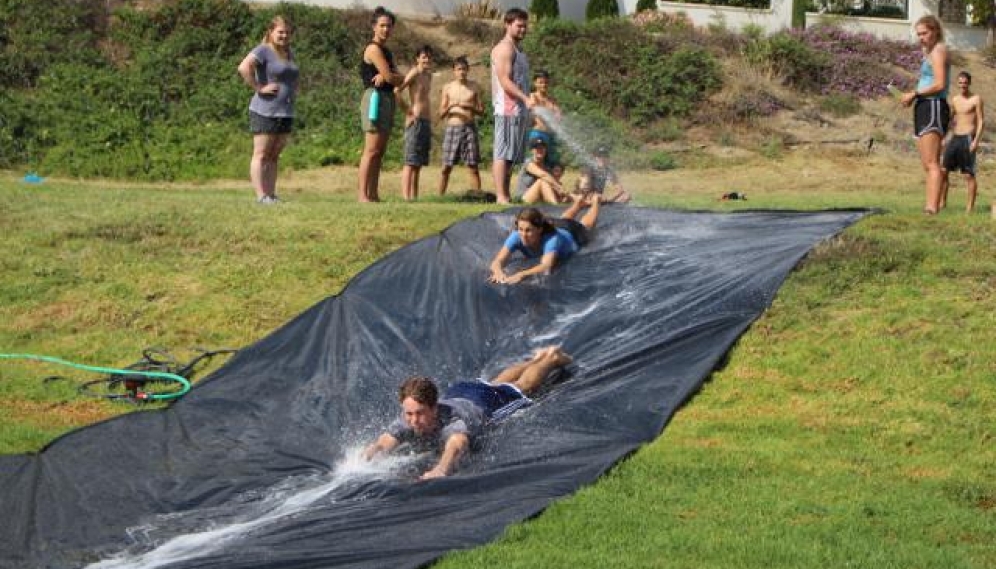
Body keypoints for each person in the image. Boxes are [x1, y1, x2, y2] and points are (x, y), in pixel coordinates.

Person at [363, 347, 573, 479]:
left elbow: (456, 445)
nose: (413, 420)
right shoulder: (407, 417)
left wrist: (441, 469)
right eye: (408, 413)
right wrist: (371, 452)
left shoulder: (454, 423)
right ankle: (535, 359)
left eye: (420, 413)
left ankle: (550, 359)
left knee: (523, 387)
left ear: (434, 408)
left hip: (482, 402)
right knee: (495, 383)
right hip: (459, 392)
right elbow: (384, 442)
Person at [237, 16, 299, 205]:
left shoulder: (289, 52)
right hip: (265, 110)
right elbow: (243, 67)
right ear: (271, 32)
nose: (284, 35)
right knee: (261, 153)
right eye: (280, 32)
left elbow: (292, 77)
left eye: (287, 32)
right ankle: (261, 195)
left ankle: (271, 194)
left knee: (274, 155)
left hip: (285, 111)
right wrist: (259, 87)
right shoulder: (263, 50)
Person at [488, 194, 601, 285]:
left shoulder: (552, 239)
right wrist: (498, 271)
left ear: (539, 230)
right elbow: (498, 260)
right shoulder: (516, 235)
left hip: (572, 233)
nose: (523, 234)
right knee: (564, 219)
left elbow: (546, 265)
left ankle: (596, 202)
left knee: (586, 224)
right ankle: (578, 203)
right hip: (558, 225)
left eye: (528, 230)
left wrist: (522, 274)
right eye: (520, 229)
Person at [900, 15, 950, 215]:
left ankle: (932, 208)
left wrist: (915, 93)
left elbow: (939, 84)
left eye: (925, 33)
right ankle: (930, 205)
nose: (921, 37)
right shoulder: (927, 51)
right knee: (926, 163)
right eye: (918, 34)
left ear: (935, 31)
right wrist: (913, 96)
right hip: (923, 106)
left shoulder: (939, 50)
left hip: (934, 106)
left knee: (932, 162)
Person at [357, 7, 404, 203]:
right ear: (374, 27)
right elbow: (392, 77)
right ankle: (362, 195)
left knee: (379, 152)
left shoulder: (386, 51)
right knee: (371, 150)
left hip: (386, 99)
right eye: (382, 25)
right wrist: (390, 76)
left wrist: (392, 77)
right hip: (375, 99)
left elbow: (398, 79)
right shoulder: (374, 49)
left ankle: (374, 194)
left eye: (389, 26)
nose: (386, 29)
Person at [491, 8, 534, 204]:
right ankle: (501, 196)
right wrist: (524, 99)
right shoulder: (505, 48)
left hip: (519, 111)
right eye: (519, 25)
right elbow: (504, 81)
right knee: (503, 153)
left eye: (525, 25)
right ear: (507, 25)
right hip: (507, 109)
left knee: (512, 156)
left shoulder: (519, 51)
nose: (523, 29)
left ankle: (506, 195)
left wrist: (527, 102)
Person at [438, 56, 485, 195]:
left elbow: (482, 111)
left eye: (464, 69)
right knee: (446, 166)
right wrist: (451, 106)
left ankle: (478, 197)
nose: (461, 72)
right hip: (452, 127)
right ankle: (440, 197)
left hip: (469, 127)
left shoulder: (474, 86)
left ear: (468, 70)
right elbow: (441, 113)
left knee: (473, 166)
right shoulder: (448, 87)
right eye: (459, 69)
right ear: (454, 71)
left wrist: (469, 106)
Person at [940, 71, 984, 213]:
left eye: (965, 83)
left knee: (968, 175)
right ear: (958, 84)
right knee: (944, 171)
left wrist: (976, 141)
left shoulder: (976, 99)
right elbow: (949, 120)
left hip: (968, 138)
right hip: (955, 138)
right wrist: (944, 137)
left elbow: (981, 121)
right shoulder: (955, 100)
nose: (963, 85)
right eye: (960, 83)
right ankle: (942, 203)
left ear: (969, 83)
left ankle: (969, 208)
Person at [396, 46, 434, 201]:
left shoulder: (428, 76)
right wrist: (407, 111)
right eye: (424, 57)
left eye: (429, 57)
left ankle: (414, 197)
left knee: (418, 163)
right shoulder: (414, 73)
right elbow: (397, 91)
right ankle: (406, 197)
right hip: (415, 120)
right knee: (410, 161)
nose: (427, 60)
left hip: (426, 120)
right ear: (417, 58)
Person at [516, 137, 567, 204]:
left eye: (542, 148)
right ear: (532, 150)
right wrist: (558, 187)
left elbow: (552, 181)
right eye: (537, 148)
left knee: (560, 190)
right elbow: (543, 175)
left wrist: (562, 192)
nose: (540, 150)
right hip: (524, 199)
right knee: (542, 180)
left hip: (540, 198)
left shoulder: (547, 166)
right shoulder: (528, 163)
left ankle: (581, 201)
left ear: (545, 150)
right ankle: (555, 206)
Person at [527, 70, 562, 163]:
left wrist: (558, 114)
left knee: (553, 162)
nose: (544, 85)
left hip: (550, 135)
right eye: (540, 82)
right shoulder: (532, 96)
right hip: (537, 133)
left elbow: (558, 112)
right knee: (538, 161)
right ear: (535, 83)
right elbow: (533, 107)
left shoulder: (551, 99)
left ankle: (548, 176)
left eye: (546, 82)